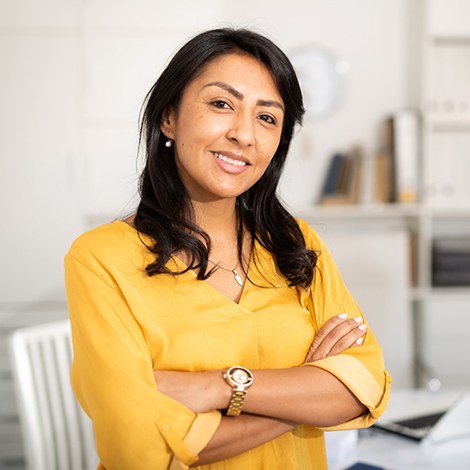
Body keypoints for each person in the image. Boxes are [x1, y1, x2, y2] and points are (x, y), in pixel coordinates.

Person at [64, 27, 391, 470]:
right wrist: (308, 394)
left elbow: (367, 385)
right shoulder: (100, 258)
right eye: (221, 104)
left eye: (267, 117)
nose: (244, 134)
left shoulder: (297, 245)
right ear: (168, 117)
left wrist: (220, 387)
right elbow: (139, 449)